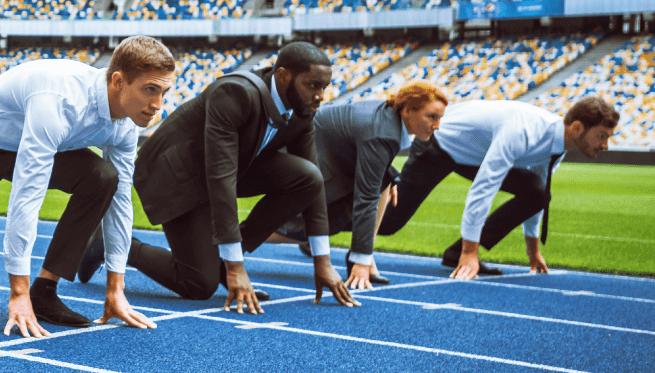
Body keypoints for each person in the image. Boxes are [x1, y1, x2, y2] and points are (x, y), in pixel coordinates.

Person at [0, 36, 172, 338]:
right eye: (150, 90)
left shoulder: (126, 123)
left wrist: (116, 288)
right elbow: (27, 194)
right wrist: (17, 293)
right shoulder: (60, 101)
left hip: (27, 140)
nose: (157, 105)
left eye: (164, 92)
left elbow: (121, 201)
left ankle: (45, 290)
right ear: (118, 81)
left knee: (104, 178)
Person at [121, 41, 359, 314]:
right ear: (283, 77)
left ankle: (222, 261)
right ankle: (113, 244)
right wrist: (236, 267)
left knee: (307, 177)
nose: (320, 96)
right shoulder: (234, 93)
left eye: (324, 87)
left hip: (231, 168)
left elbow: (314, 183)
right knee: (198, 284)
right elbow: (220, 178)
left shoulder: (302, 109)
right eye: (313, 85)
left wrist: (323, 261)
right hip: (175, 175)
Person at [377, 96, 619, 278]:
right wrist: (470, 254)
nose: (606, 145)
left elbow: (539, 194)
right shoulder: (522, 131)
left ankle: (455, 253)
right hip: (439, 145)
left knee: (537, 191)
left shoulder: (558, 146)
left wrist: (532, 252)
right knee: (389, 223)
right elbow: (484, 188)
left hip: (474, 154)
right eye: (601, 136)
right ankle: (340, 217)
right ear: (577, 128)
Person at [268, 80, 449, 289]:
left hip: (329, 157)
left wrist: (390, 177)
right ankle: (237, 238)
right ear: (408, 110)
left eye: (439, 118)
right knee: (317, 224)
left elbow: (368, 154)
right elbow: (367, 197)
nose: (436, 126)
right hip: (303, 157)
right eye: (432, 117)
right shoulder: (383, 131)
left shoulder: (388, 116)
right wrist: (359, 263)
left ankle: (365, 256)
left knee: (383, 182)